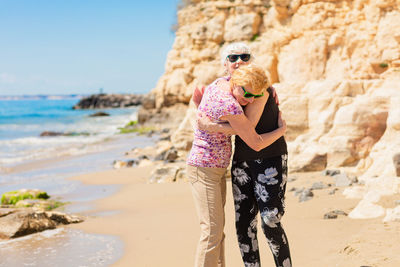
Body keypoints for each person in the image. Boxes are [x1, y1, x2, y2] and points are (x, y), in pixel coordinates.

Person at [192, 43, 292, 267]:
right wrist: (203, 114)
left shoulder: (260, 86)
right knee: (243, 225)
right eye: (232, 57)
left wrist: (212, 126)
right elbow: (199, 97)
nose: (238, 61)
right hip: (240, 160)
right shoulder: (222, 86)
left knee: (270, 220)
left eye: (244, 56)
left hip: (269, 156)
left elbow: (250, 130)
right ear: (225, 64)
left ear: (251, 61)